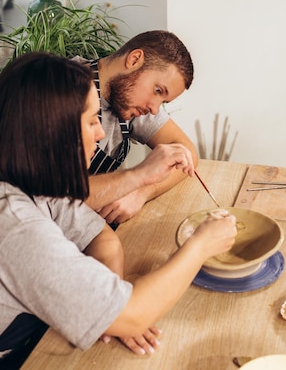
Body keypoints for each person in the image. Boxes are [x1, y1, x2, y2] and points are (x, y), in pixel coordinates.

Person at [0, 52, 237, 369]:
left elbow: (102, 239)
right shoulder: (11, 226)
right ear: (55, 131)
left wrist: (105, 308)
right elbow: (136, 313)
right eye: (92, 120)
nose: (98, 134)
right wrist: (200, 246)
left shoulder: (24, 178)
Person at [84, 30, 199, 226]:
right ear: (135, 59)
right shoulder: (64, 92)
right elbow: (57, 197)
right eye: (157, 90)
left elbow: (187, 153)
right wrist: (136, 179)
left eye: (163, 100)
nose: (154, 109)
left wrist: (139, 193)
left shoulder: (127, 99)